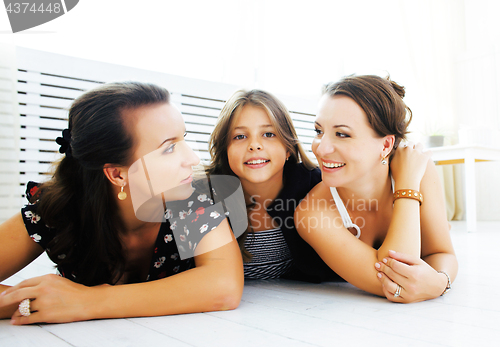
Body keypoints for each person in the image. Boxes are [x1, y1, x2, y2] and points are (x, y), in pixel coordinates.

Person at [0, 82, 244, 324]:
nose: (192, 158)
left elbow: (224, 286)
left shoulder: (191, 202)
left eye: (184, 139)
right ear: (117, 174)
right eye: (169, 148)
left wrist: (87, 302)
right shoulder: (58, 211)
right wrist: (37, 302)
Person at [294, 75, 458, 303]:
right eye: (318, 131)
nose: (322, 148)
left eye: (342, 134)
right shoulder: (312, 212)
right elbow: (397, 281)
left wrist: (441, 282)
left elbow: (442, 253)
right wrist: (408, 188)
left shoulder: (417, 168)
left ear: (386, 145)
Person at [207, 89, 338, 282]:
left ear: (288, 148)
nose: (254, 145)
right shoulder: (205, 195)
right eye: (240, 136)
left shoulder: (313, 183)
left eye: (268, 134)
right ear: (225, 149)